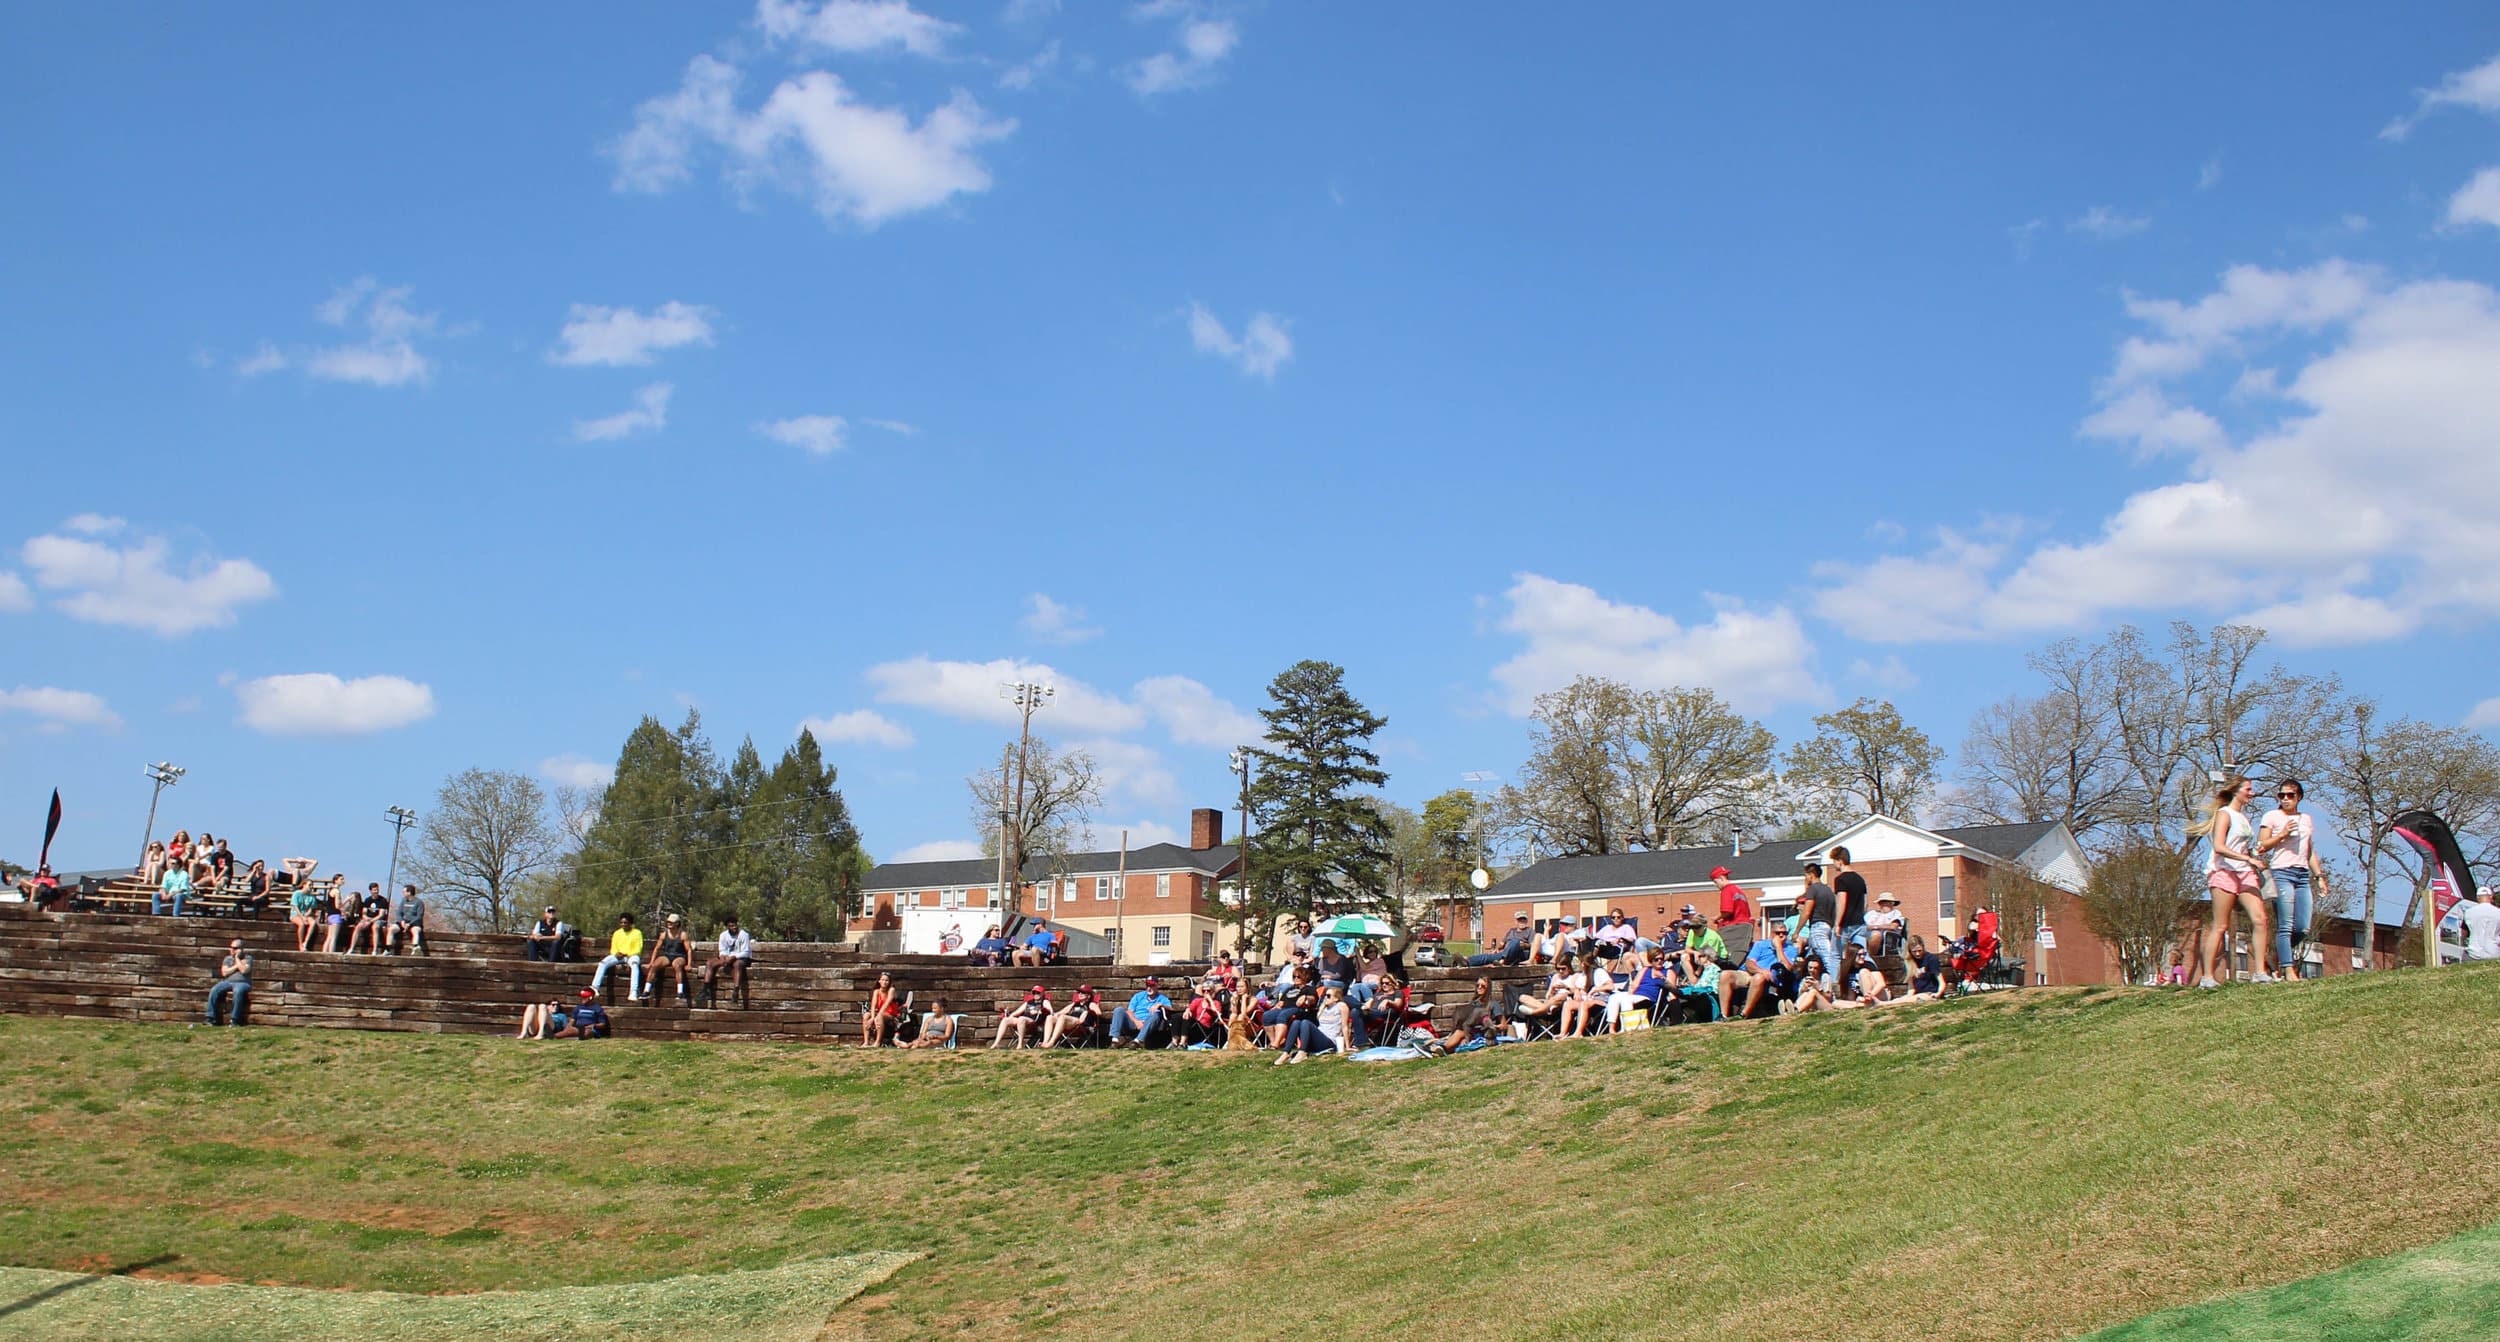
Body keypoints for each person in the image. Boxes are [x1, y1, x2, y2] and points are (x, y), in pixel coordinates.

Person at [2189, 776, 2274, 988]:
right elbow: (2219, 846)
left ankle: (2260, 972)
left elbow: (2241, 847)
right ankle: (2207, 977)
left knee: (2261, 919)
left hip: (2245, 872)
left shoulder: (2245, 818)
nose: (2252, 793)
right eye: (2248, 789)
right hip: (2224, 871)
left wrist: (2254, 853)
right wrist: (2247, 858)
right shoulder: (2224, 814)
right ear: (2236, 791)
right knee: (2221, 925)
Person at [2257, 779, 2327, 979]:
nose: (2286, 799)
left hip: (2303, 875)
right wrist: (2281, 836)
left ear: (2299, 797)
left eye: (2290, 795)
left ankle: (2276, 956)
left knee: (2302, 928)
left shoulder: (2306, 819)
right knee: (2285, 925)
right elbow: (2260, 846)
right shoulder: (2272, 816)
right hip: (2281, 873)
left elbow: (2309, 850)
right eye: (2282, 795)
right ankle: (2288, 969)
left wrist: (2319, 876)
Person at [1718, 926, 1789, 1020]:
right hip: (1751, 973)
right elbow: (1749, 963)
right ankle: (1723, 1016)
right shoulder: (1760, 945)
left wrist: (1779, 947)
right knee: (1725, 975)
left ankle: (1743, 1015)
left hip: (1770, 979)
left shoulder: (1790, 948)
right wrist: (1762, 971)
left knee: (1759, 977)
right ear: (1771, 934)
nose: (1781, 935)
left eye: (1784, 933)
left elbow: (1788, 968)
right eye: (1778, 933)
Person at [1277, 984, 1350, 1065]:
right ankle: (1286, 1052)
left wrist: (1347, 1046)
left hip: (1329, 1041)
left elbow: (1345, 1026)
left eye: (1328, 996)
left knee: (1306, 1023)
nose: (1326, 997)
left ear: (1336, 998)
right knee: (1296, 1022)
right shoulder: (1324, 1008)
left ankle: (1302, 1052)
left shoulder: (1341, 1006)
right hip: (1318, 1038)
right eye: (1325, 995)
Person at [1797, 862, 1839, 989]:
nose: (1806, 879)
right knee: (1808, 962)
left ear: (1811, 875)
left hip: (1817, 928)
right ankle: (1804, 990)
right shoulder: (1828, 891)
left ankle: (1836, 988)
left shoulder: (1813, 889)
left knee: (1828, 959)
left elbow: (1807, 911)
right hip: (1828, 927)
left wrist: (1797, 931)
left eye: (1806, 876)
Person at [703, 916, 754, 1008]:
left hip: (741, 958)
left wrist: (734, 957)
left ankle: (736, 991)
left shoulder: (744, 935)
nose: (734, 927)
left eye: (735, 925)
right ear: (727, 927)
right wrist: (724, 957)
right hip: (727, 957)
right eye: (731, 926)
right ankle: (706, 989)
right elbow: (722, 950)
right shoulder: (723, 935)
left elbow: (746, 952)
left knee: (737, 964)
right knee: (710, 963)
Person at [592, 913, 646, 999]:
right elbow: (613, 948)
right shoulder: (617, 933)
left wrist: (628, 954)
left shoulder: (637, 933)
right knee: (602, 963)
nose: (623, 925)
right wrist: (616, 954)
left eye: (625, 923)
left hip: (631, 956)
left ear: (630, 923)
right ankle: (595, 987)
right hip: (618, 956)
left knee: (635, 965)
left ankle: (633, 991)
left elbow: (638, 948)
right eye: (621, 923)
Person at [643, 913, 693, 1003]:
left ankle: (680, 992)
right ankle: (646, 990)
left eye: (672, 922)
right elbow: (657, 948)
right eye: (668, 922)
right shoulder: (663, 934)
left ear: (677, 923)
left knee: (676, 965)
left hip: (679, 956)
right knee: (655, 965)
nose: (669, 924)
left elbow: (688, 950)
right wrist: (651, 962)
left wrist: (689, 964)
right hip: (667, 955)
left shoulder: (682, 935)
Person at [1111, 978, 1175, 1047]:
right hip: (1134, 1022)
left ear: (1157, 986)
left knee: (1156, 1014)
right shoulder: (1138, 996)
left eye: (1151, 986)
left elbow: (1171, 1009)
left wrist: (1160, 1004)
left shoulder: (1162, 998)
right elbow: (1130, 1012)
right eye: (1147, 986)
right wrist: (1136, 1021)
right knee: (1119, 1010)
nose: (1149, 988)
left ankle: (1138, 1041)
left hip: (1149, 1023)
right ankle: (1115, 1040)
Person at [1829, 847, 1871, 953]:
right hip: (1860, 924)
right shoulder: (1860, 879)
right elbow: (1865, 903)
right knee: (1861, 954)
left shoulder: (1840, 879)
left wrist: (1838, 924)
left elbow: (1842, 902)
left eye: (1834, 861)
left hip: (1846, 926)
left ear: (1840, 861)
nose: (1833, 864)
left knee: (1836, 956)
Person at [205, 938, 252, 1026]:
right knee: (214, 989)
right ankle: (210, 1017)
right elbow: (224, 972)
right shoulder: (227, 959)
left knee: (238, 992)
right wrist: (237, 966)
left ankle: (235, 1019)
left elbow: (244, 970)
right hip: (228, 981)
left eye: (235, 948)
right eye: (231, 948)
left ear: (241, 949)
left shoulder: (248, 958)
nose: (232, 950)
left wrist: (237, 958)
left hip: (243, 983)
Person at [1710, 867, 1756, 955]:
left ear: (1721, 878)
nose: (1716, 885)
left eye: (1715, 882)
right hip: (1745, 929)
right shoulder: (1739, 891)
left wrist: (1717, 918)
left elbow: (1727, 911)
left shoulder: (1726, 890)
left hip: (1733, 929)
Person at [1042, 984, 1105, 1048]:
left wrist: (1087, 1012)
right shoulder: (1074, 1004)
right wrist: (1054, 1014)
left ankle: (1052, 1042)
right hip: (1070, 1023)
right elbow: (1062, 1012)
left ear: (1088, 996)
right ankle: (1045, 1042)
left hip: (1081, 1025)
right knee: (1050, 1017)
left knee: (1062, 1017)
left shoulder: (1091, 1004)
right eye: (1079, 992)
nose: (1080, 994)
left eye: (1083, 992)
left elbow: (1099, 1013)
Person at [1446, 976, 1506, 1042]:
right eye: (1478, 985)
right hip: (1473, 1032)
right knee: (1461, 1039)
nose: (1479, 987)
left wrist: (1493, 1026)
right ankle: (1443, 1049)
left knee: (1458, 1034)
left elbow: (1504, 1025)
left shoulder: (1493, 1004)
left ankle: (1444, 1048)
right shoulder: (1473, 1003)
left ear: (1488, 988)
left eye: (1483, 986)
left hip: (1486, 1034)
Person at [1468, 912, 1535, 967]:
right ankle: (1467, 961)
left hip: (1519, 955)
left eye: (1524, 919)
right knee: (1488, 957)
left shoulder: (1530, 931)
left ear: (1526, 920)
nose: (1522, 921)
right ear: (1516, 921)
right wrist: (1497, 949)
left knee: (1515, 941)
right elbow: (1502, 943)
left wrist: (1524, 945)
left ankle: (1502, 961)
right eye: (1520, 919)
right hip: (1506, 953)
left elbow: (1533, 945)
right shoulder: (1511, 931)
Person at [2456, 888, 2500, 962]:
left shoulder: (2468, 912)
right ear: (2491, 897)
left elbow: (2464, 933)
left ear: (2478, 898)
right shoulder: (2498, 912)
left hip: (2473, 953)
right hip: (2494, 953)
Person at [1898, 934, 1946, 1002]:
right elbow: (1911, 988)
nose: (1917, 954)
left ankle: (1883, 1004)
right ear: (1910, 951)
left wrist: (1938, 993)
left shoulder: (1931, 959)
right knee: (1901, 999)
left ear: (1923, 947)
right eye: (1914, 952)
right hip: (1917, 994)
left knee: (1908, 999)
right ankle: (1884, 1003)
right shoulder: (1908, 963)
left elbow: (1941, 981)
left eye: (1919, 950)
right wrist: (1909, 996)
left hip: (1930, 993)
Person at [863, 972, 904, 1047]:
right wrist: (872, 1018)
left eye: (886, 980)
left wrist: (877, 1016)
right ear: (879, 981)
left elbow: (886, 1004)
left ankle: (878, 1042)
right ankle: (866, 1042)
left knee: (879, 1016)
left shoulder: (891, 990)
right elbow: (873, 1005)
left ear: (889, 982)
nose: (884, 982)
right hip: (880, 1013)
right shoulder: (876, 991)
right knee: (866, 1015)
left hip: (891, 1015)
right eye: (883, 980)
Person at [349, 883, 391, 954]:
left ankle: (375, 950)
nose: (376, 891)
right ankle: (351, 948)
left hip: (378, 919)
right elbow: (364, 913)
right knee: (358, 927)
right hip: (368, 918)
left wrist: (371, 921)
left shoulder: (383, 900)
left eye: (377, 890)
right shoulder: (367, 900)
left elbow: (381, 915)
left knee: (375, 927)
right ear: (371, 891)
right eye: (374, 890)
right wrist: (366, 919)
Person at [389, 884, 428, 956]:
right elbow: (399, 913)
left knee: (415, 930)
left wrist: (410, 924)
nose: (402, 893)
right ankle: (388, 949)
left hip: (414, 923)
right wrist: (401, 921)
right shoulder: (403, 901)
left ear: (409, 892)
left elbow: (419, 916)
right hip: (403, 922)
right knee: (391, 929)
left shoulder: (419, 902)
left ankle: (415, 947)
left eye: (404, 892)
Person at [289, 876, 323, 951]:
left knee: (313, 923)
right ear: (304, 885)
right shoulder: (297, 893)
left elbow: (311, 909)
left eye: (312, 885)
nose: (311, 887)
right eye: (309, 885)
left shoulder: (312, 897)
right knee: (301, 924)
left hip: (306, 914)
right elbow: (295, 906)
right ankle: (300, 944)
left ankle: (306, 942)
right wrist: (302, 917)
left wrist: (306, 916)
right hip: (296, 914)